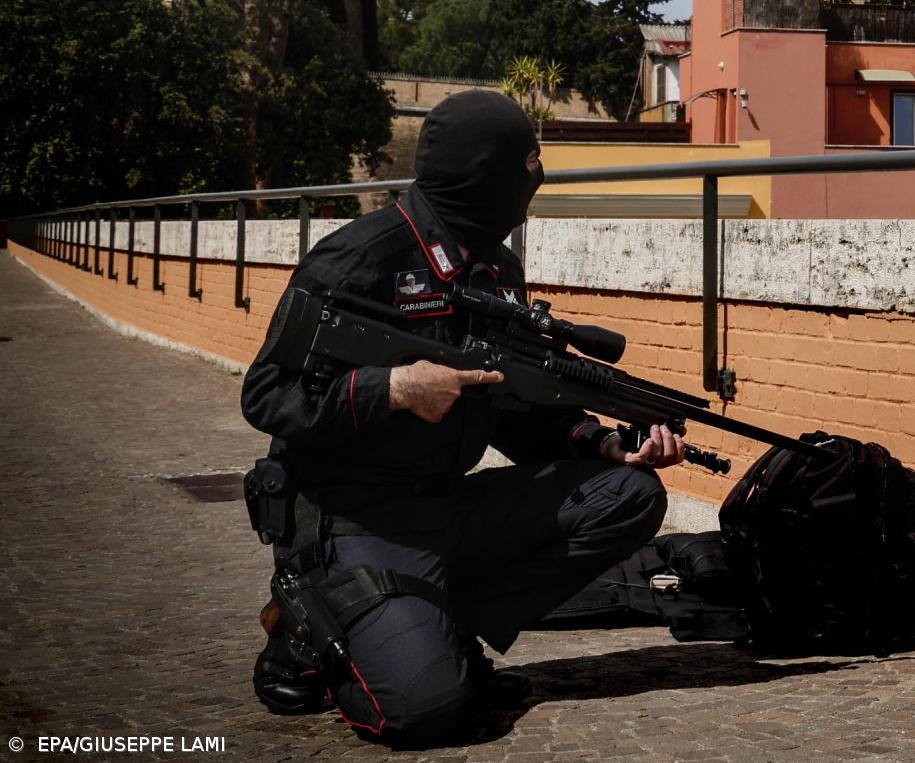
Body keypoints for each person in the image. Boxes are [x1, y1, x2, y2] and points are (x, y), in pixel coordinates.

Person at [243, 90, 683, 746]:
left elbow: (511, 405)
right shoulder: (361, 259)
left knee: (629, 496)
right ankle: (304, 633)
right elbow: (265, 394)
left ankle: (429, 625)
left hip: (449, 507)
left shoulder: (499, 270)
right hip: (355, 519)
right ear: (486, 172)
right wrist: (389, 390)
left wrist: (604, 441)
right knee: (423, 711)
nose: (536, 177)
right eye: (528, 162)